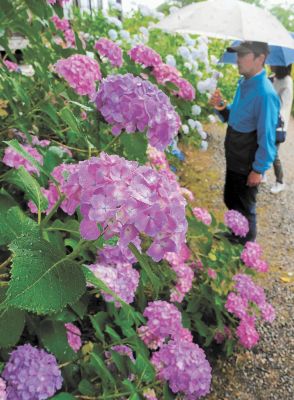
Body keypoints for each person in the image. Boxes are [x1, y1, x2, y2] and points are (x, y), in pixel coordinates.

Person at [210, 41, 280, 243]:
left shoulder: (265, 94)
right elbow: (236, 117)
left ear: (260, 58)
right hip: (235, 157)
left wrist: (258, 169)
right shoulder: (245, 83)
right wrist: (222, 107)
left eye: (243, 54)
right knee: (230, 199)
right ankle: (234, 236)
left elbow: (267, 137)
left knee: (245, 207)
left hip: (246, 162)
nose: (237, 59)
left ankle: (246, 250)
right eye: (237, 54)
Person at [268, 64, 293, 194]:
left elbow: (283, 106)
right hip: (268, 120)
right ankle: (261, 175)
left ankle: (280, 182)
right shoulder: (274, 78)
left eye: (273, 63)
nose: (270, 65)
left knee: (273, 153)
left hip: (278, 124)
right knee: (261, 146)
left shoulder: (287, 82)